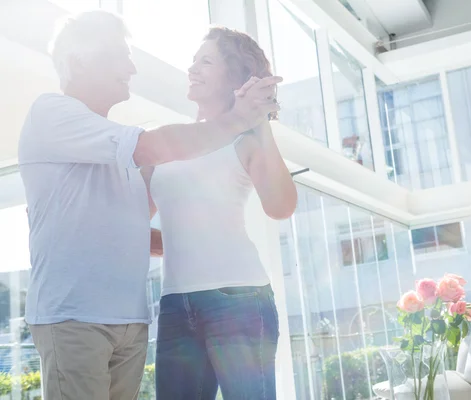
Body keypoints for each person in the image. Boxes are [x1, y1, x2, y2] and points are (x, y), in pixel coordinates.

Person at [18, 11, 280, 400]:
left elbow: (126, 229)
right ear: (79, 61)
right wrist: (241, 118)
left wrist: (191, 239)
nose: (131, 67)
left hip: (130, 323)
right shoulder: (53, 113)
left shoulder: (115, 147)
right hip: (74, 319)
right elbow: (155, 145)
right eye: (119, 55)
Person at [145, 27, 297, 399]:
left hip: (238, 299)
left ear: (234, 77)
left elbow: (280, 206)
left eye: (206, 61)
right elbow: (133, 223)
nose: (192, 68)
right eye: (194, 60)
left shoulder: (245, 140)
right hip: (175, 303)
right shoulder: (170, 141)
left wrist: (257, 120)